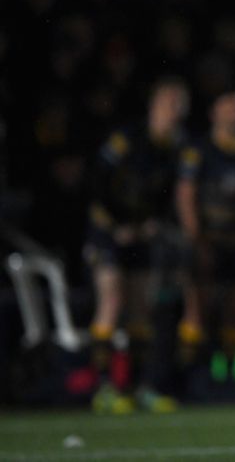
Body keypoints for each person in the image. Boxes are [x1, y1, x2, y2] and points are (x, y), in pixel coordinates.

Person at [83, 76, 190, 414]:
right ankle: (103, 387)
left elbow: (167, 193)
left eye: (179, 106)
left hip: (140, 233)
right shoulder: (127, 140)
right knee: (112, 299)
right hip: (108, 232)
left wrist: (151, 223)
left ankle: (139, 387)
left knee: (142, 310)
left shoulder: (174, 148)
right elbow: (97, 182)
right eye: (169, 104)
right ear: (154, 106)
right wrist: (116, 226)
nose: (175, 112)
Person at [175, 89, 235, 398]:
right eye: (230, 106)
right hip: (209, 240)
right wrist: (195, 238)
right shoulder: (200, 150)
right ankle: (191, 378)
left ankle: (227, 377)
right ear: (214, 112)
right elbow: (186, 194)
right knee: (198, 308)